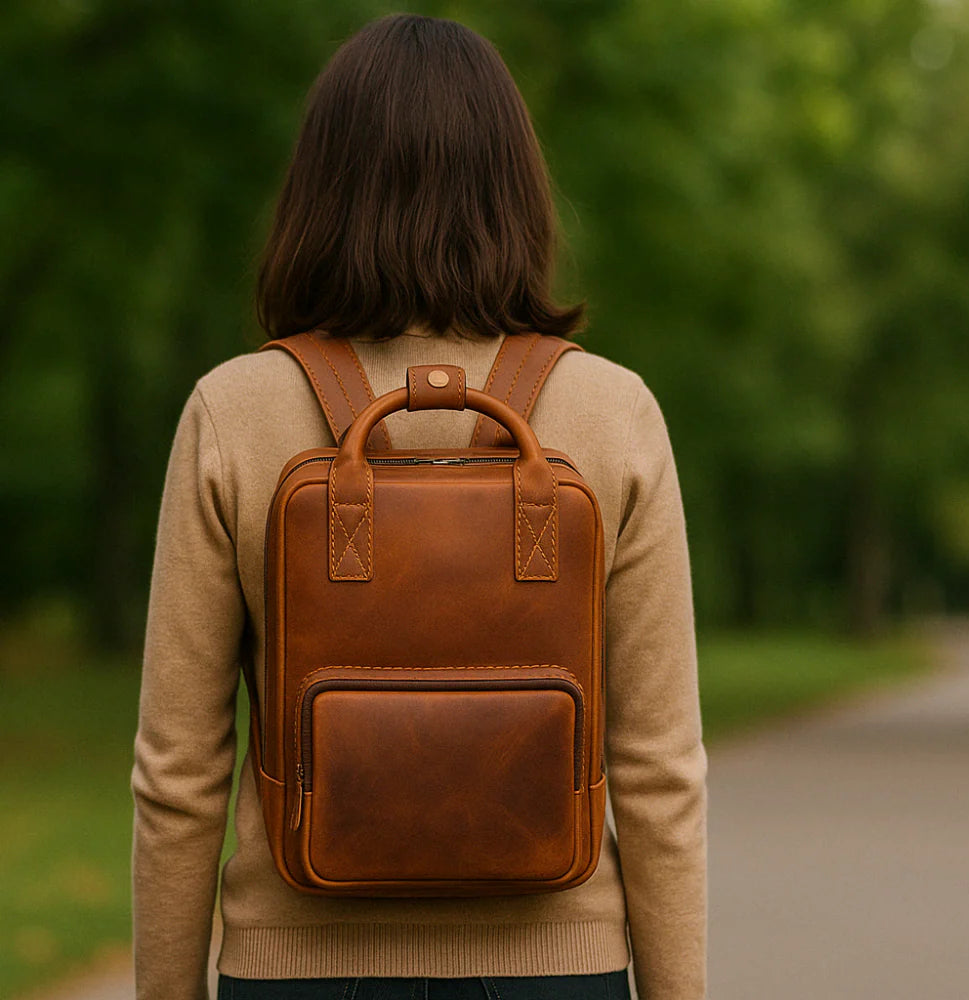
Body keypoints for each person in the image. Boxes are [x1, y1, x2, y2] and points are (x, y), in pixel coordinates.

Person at [131, 13, 707, 1000]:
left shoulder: (234, 409)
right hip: (555, 972)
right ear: (515, 193)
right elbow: (660, 773)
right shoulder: (612, 412)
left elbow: (177, 776)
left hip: (298, 969)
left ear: (318, 192)